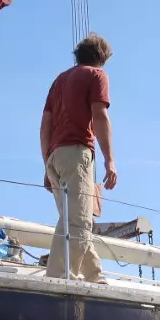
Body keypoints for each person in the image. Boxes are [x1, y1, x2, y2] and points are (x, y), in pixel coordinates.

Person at [40, 33, 117, 283]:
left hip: (55, 156)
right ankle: (59, 277)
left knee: (72, 219)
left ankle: (94, 276)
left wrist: (46, 164)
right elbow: (100, 116)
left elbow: (46, 124)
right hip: (77, 153)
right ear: (102, 57)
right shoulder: (96, 76)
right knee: (79, 221)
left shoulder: (58, 81)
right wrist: (109, 160)